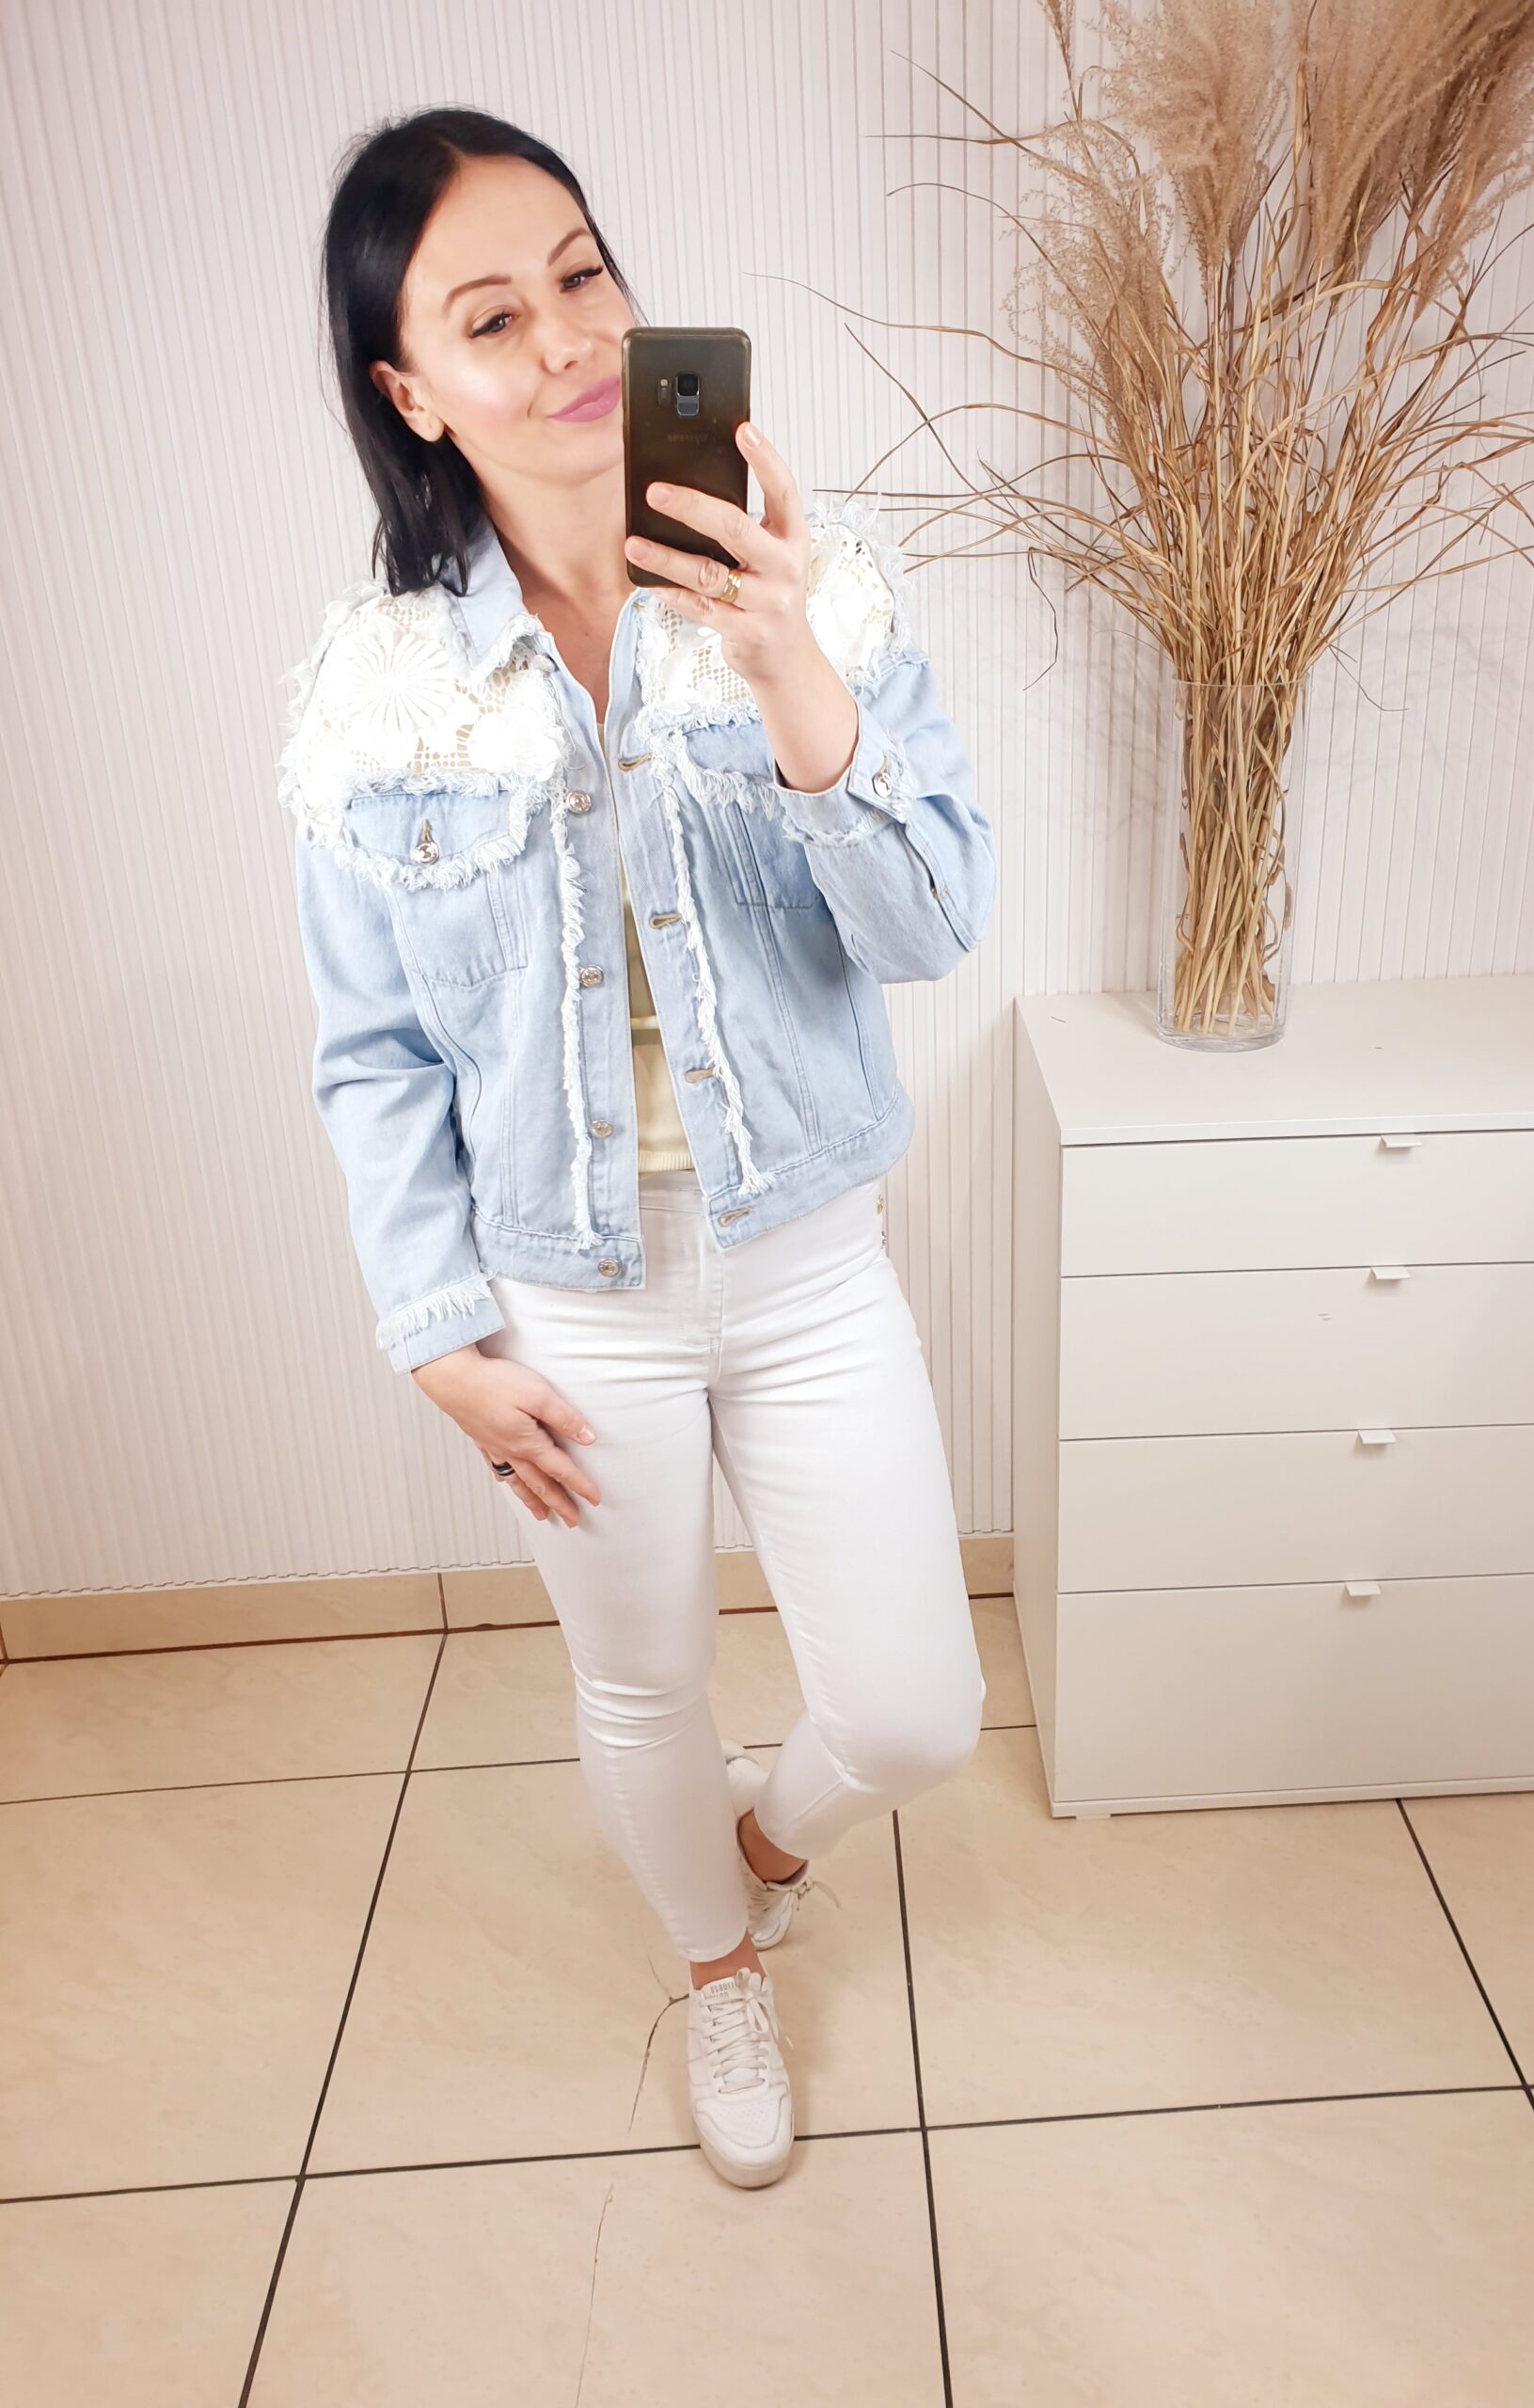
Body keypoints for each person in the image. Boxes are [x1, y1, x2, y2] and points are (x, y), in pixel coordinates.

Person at [280, 108, 996, 2190]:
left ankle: (759, 1848)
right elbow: (372, 1055)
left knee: (918, 1708)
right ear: (414, 390)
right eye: (493, 317)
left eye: (584, 274)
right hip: (566, 1293)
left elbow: (934, 928)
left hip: (807, 1253)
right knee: (643, 1682)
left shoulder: (805, 584)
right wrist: (434, 1333)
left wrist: (791, 676)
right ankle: (715, 1963)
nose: (573, 339)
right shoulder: (374, 695)